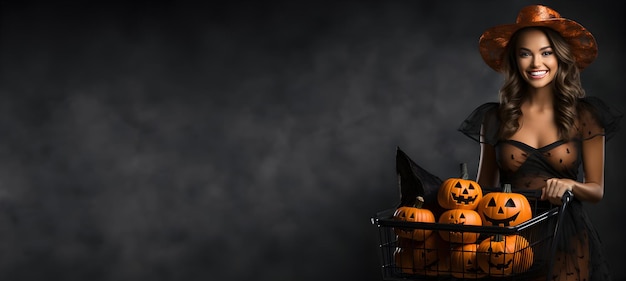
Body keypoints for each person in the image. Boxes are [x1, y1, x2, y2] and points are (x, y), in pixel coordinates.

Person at [458, 4, 622, 281]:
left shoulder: (586, 115)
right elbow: (483, 190)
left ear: (560, 58)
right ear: (514, 60)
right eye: (525, 54)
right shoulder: (494, 118)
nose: (536, 64)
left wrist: (571, 185)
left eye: (546, 53)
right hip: (509, 239)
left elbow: (596, 190)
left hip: (566, 238)